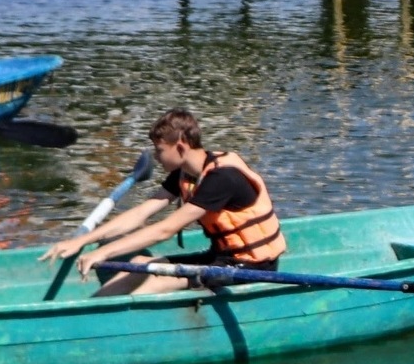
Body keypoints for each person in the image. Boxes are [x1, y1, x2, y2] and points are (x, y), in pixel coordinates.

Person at [44, 109, 284, 295]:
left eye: (159, 150)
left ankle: (113, 327)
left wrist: (103, 253)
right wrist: (82, 241)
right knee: (139, 263)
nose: (157, 158)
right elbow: (141, 213)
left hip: (253, 268)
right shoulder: (186, 174)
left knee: (156, 282)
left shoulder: (222, 178)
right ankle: (91, 312)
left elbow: (164, 230)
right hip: (220, 259)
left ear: (180, 147)